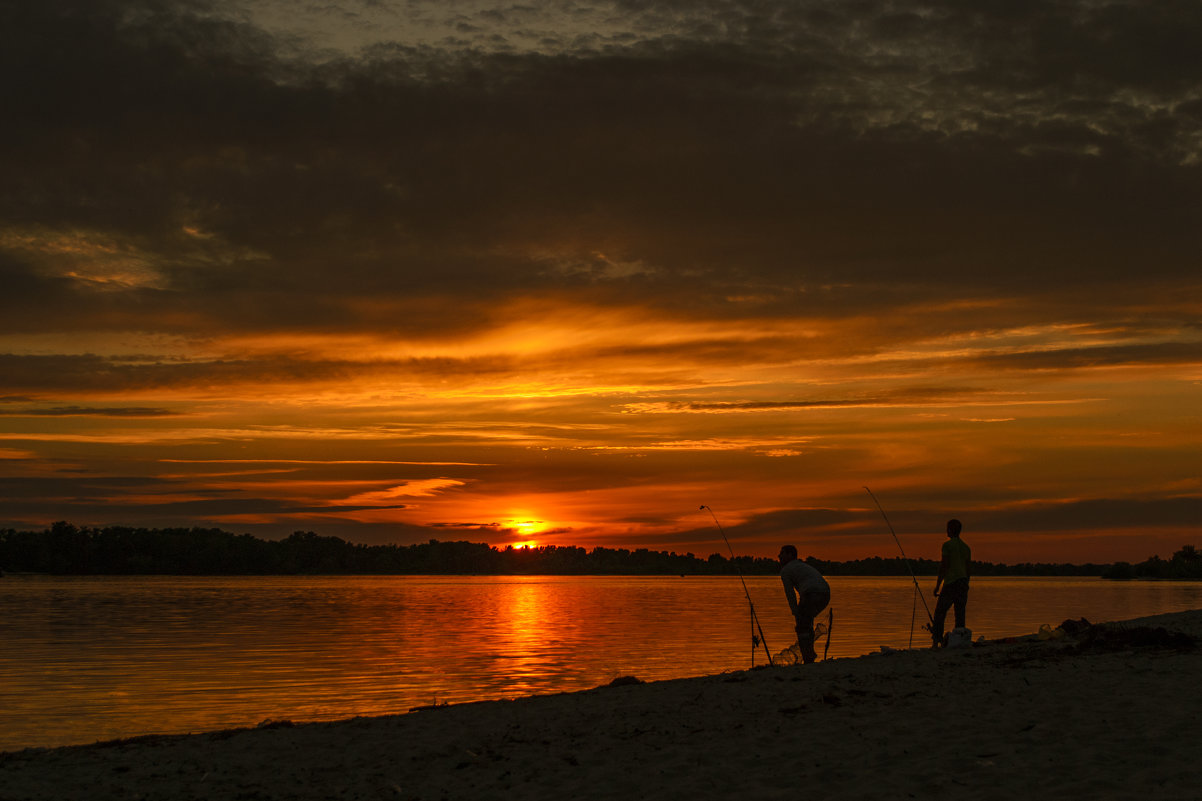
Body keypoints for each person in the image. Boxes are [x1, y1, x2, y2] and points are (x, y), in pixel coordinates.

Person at [778, 544, 830, 663]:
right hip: (825, 593)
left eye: (782, 553)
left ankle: (808, 658)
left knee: (802, 625)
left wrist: (795, 611)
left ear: (790, 555)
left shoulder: (786, 570)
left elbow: (790, 593)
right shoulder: (801, 565)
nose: (779, 556)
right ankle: (809, 655)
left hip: (812, 594)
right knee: (807, 622)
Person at [931, 518, 971, 647]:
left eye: (947, 528)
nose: (946, 531)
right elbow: (968, 568)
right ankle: (959, 640)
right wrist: (966, 583)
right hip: (963, 582)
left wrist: (937, 585)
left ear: (950, 530)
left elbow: (944, 566)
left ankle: (937, 640)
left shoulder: (947, 545)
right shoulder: (966, 547)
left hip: (951, 582)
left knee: (940, 612)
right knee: (960, 612)